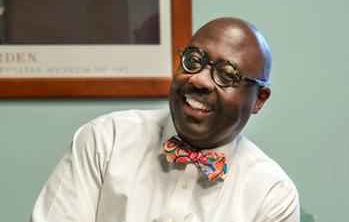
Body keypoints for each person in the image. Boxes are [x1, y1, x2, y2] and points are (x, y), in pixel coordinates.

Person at [30, 17, 299, 222]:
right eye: (193, 60)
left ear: (259, 99)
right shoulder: (105, 140)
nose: (199, 79)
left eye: (226, 75)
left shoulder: (272, 194)